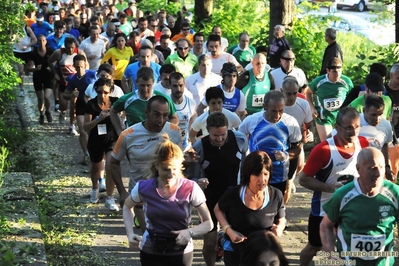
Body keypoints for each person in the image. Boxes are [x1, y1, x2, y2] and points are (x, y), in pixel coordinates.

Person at [123, 135, 212, 266]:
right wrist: (130, 234)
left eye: (174, 169)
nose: (170, 175)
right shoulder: (143, 187)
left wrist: (190, 232)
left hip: (182, 252)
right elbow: (127, 206)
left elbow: (208, 223)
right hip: (151, 249)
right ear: (156, 166)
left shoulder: (190, 188)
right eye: (166, 169)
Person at [298, 107, 369, 266]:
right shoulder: (323, 150)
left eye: (357, 127)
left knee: (350, 247)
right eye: (348, 127)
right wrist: (330, 188)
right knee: (313, 247)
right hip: (324, 208)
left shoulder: (363, 143)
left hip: (352, 208)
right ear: (337, 127)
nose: (353, 132)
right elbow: (303, 179)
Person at [110, 95, 182, 231]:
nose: (161, 121)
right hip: (140, 196)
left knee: (169, 237)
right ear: (146, 112)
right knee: (149, 236)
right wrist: (122, 192)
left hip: (168, 195)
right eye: (156, 115)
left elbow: (179, 163)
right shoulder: (128, 135)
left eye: (165, 115)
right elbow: (113, 162)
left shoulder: (174, 131)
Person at [320, 147, 399, 265]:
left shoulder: (395, 193)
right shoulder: (342, 195)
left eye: (381, 167)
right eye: (372, 169)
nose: (378, 174)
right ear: (358, 169)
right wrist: (331, 255)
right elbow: (326, 225)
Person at [188, 111, 248, 266]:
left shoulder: (240, 139)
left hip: (234, 197)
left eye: (223, 134)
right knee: (209, 242)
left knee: (237, 238)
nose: (220, 139)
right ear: (207, 131)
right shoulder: (199, 147)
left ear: (228, 128)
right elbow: (191, 177)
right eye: (215, 135)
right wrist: (198, 181)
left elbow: (247, 166)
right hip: (210, 198)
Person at [214, 151, 286, 266]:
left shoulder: (276, 195)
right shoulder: (233, 193)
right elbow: (218, 209)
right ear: (248, 174)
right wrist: (228, 230)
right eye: (257, 174)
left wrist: (280, 228)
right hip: (235, 249)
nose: (262, 180)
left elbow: (281, 218)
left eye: (266, 174)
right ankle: (221, 239)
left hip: (263, 251)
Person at [239, 90, 302, 196]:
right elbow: (238, 139)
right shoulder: (252, 120)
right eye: (273, 111)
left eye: (281, 110)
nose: (277, 115)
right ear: (264, 106)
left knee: (275, 209)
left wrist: (286, 155)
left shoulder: (290, 123)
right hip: (255, 173)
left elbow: (297, 149)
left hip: (278, 175)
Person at [83, 78, 119, 210]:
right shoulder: (91, 105)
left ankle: (110, 197)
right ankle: (94, 188)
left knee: (110, 167)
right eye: (99, 92)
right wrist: (99, 118)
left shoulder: (115, 103)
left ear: (110, 91)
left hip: (112, 140)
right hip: (95, 140)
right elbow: (85, 127)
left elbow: (124, 113)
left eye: (105, 92)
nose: (102, 95)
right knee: (96, 168)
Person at [110, 67, 178, 134]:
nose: (145, 89)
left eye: (148, 85)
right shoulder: (127, 99)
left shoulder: (163, 99)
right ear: (136, 82)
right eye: (142, 85)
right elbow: (113, 111)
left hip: (156, 140)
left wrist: (166, 131)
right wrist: (119, 131)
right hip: (134, 141)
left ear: (153, 82)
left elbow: (174, 118)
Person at [281, 76, 313, 202]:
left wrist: (307, 132)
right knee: (282, 181)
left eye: (295, 93)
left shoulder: (303, 104)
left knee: (298, 169)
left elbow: (308, 124)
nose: (292, 97)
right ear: (281, 91)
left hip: (296, 144)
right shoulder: (275, 104)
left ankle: (281, 209)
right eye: (288, 94)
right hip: (279, 145)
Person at [306, 57, 353, 142]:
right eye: (334, 71)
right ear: (328, 70)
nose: (337, 74)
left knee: (342, 143)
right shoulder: (319, 81)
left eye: (339, 70)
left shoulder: (347, 82)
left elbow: (352, 97)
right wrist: (312, 108)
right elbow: (307, 92)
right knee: (327, 143)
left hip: (341, 117)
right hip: (324, 117)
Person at [63, 54, 96, 164]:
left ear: (85, 65)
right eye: (77, 67)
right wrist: (72, 95)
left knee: (93, 132)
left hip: (93, 104)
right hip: (81, 105)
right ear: (74, 66)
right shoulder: (72, 79)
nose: (80, 69)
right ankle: (86, 154)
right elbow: (64, 95)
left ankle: (95, 153)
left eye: (82, 66)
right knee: (82, 131)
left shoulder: (93, 75)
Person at [47, 37, 87, 125]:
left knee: (74, 104)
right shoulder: (59, 53)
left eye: (72, 47)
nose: (70, 50)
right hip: (63, 83)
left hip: (75, 83)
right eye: (68, 47)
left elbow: (86, 65)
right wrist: (55, 73)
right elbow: (49, 61)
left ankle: (72, 124)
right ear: (64, 46)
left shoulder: (79, 53)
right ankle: (62, 113)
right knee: (64, 105)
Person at [27, 35, 54, 124]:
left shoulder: (50, 51)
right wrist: (35, 69)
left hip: (48, 76)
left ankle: (48, 111)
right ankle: (41, 114)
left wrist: (52, 67)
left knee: (47, 97)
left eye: (43, 40)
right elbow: (28, 68)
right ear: (37, 42)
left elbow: (56, 60)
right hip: (37, 76)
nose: (42, 42)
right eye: (39, 41)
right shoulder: (33, 53)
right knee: (40, 98)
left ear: (46, 41)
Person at [169, 72, 197, 151]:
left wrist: (190, 139)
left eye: (181, 85)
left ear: (184, 84)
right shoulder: (166, 103)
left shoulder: (191, 103)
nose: (178, 89)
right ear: (170, 86)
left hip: (186, 148)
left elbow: (192, 120)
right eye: (175, 86)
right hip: (170, 147)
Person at [13, 24, 37, 97]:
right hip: (17, 51)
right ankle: (21, 89)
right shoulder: (13, 28)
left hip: (27, 52)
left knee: (28, 72)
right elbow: (11, 39)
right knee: (21, 71)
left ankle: (32, 86)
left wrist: (27, 46)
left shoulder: (27, 29)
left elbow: (35, 40)